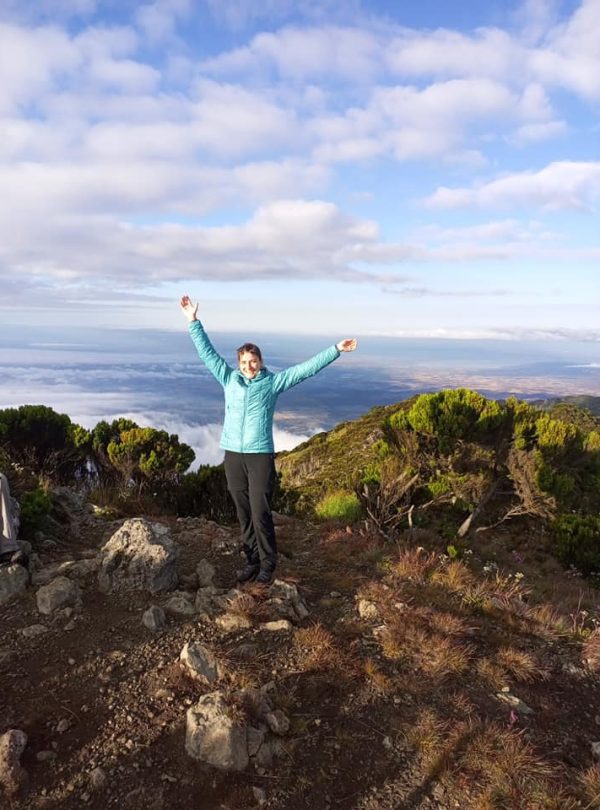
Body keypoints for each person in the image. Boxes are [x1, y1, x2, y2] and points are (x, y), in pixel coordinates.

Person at [180, 295, 357, 585]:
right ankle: (250, 560)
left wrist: (335, 349)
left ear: (262, 362)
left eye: (254, 361)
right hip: (233, 455)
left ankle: (267, 563)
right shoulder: (229, 379)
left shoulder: (272, 383)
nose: (249, 366)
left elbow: (305, 369)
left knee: (260, 511)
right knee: (242, 510)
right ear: (238, 364)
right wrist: (192, 320)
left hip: (260, 455)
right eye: (245, 362)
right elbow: (207, 353)